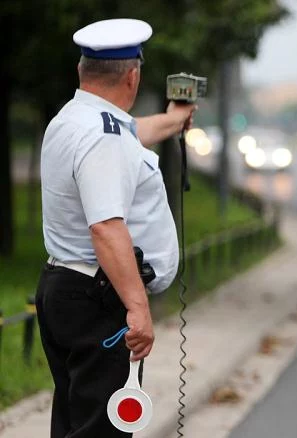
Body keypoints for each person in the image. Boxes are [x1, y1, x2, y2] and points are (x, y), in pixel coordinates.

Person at [35, 18, 196, 437]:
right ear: (133, 74)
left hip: (65, 287)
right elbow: (106, 227)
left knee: (76, 420)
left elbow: (132, 134)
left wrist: (173, 120)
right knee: (100, 430)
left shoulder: (73, 120)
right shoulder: (104, 138)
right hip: (98, 300)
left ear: (81, 71)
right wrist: (138, 308)